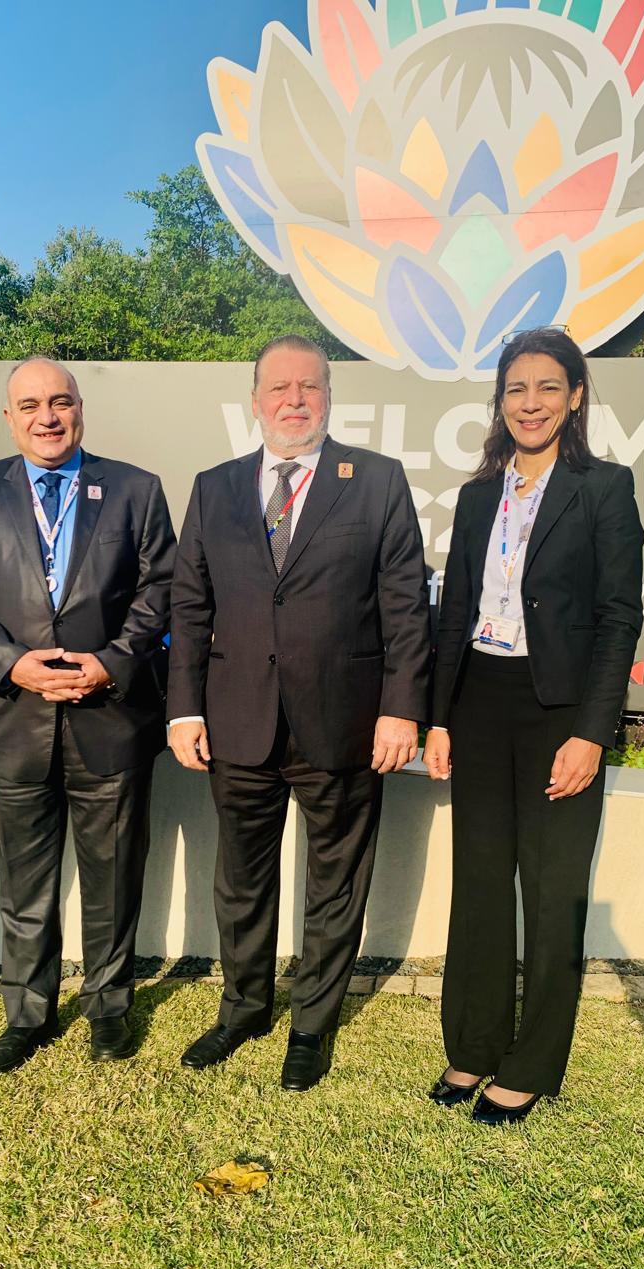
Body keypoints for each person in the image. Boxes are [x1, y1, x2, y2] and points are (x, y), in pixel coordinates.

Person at [168, 334, 431, 1091]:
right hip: (238, 721)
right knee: (240, 881)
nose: (294, 400)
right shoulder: (215, 487)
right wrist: (184, 710)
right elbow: (190, 607)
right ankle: (244, 1009)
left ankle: (312, 1025)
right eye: (279, 387)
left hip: (344, 722)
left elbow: (405, 607)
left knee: (335, 883)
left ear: (329, 397)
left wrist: (401, 710)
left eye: (309, 386)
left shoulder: (375, 480)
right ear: (255, 400)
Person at [423, 327, 644, 1125]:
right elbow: (455, 613)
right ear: (500, 401)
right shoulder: (479, 496)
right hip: (479, 701)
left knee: (552, 894)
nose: (531, 403)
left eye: (548, 386)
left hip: (560, 712)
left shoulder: (604, 488)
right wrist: (438, 719)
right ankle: (474, 1044)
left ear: (575, 397)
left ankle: (531, 1064)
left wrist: (591, 731)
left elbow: (619, 618)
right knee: (481, 884)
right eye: (516, 388)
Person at [0, 357, 175, 1074]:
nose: (48, 417)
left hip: (111, 717)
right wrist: (12, 664)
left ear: (79, 410)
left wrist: (113, 660)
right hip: (15, 718)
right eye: (32, 405)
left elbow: (160, 589)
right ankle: (28, 1015)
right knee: (25, 886)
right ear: (9, 418)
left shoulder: (135, 489)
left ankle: (109, 1008)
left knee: (113, 880)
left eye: (61, 402)